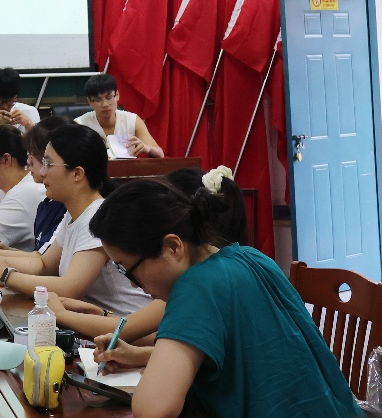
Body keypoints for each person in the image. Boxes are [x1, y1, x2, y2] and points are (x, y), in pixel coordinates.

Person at [88, 178, 360, 418]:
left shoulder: (196, 287)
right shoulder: (252, 258)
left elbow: (152, 409)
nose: (133, 285)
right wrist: (141, 355)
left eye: (129, 270)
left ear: (172, 246)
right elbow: (246, 358)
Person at [0, 124, 150, 318]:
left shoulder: (97, 216)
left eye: (49, 164)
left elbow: (69, 288)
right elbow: (43, 264)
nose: (42, 172)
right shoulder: (74, 213)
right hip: (90, 321)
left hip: (123, 324)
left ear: (77, 173)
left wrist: (6, 274)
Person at [46, 166, 249, 343]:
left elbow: (128, 331)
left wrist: (61, 314)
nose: (134, 284)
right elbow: (166, 338)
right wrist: (103, 315)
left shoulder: (197, 284)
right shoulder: (239, 262)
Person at [74, 74, 164, 158]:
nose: (105, 104)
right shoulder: (80, 125)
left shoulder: (132, 120)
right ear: (89, 101)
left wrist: (148, 148)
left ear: (117, 95)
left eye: (109, 98)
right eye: (98, 100)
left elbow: (160, 154)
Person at [23, 117, 70, 251]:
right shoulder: (46, 204)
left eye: (33, 154)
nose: (28, 161)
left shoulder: (70, 208)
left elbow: (43, 261)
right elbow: (42, 257)